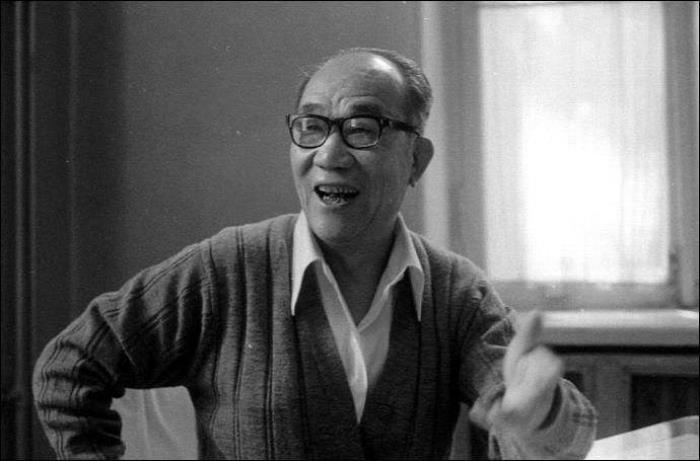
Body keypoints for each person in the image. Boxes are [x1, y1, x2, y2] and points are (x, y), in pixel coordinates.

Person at [33, 47, 597, 459]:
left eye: (362, 128)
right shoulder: (227, 268)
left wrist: (540, 413)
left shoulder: (456, 293)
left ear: (417, 161)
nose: (329, 154)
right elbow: (68, 368)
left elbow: (554, 426)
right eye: (311, 126)